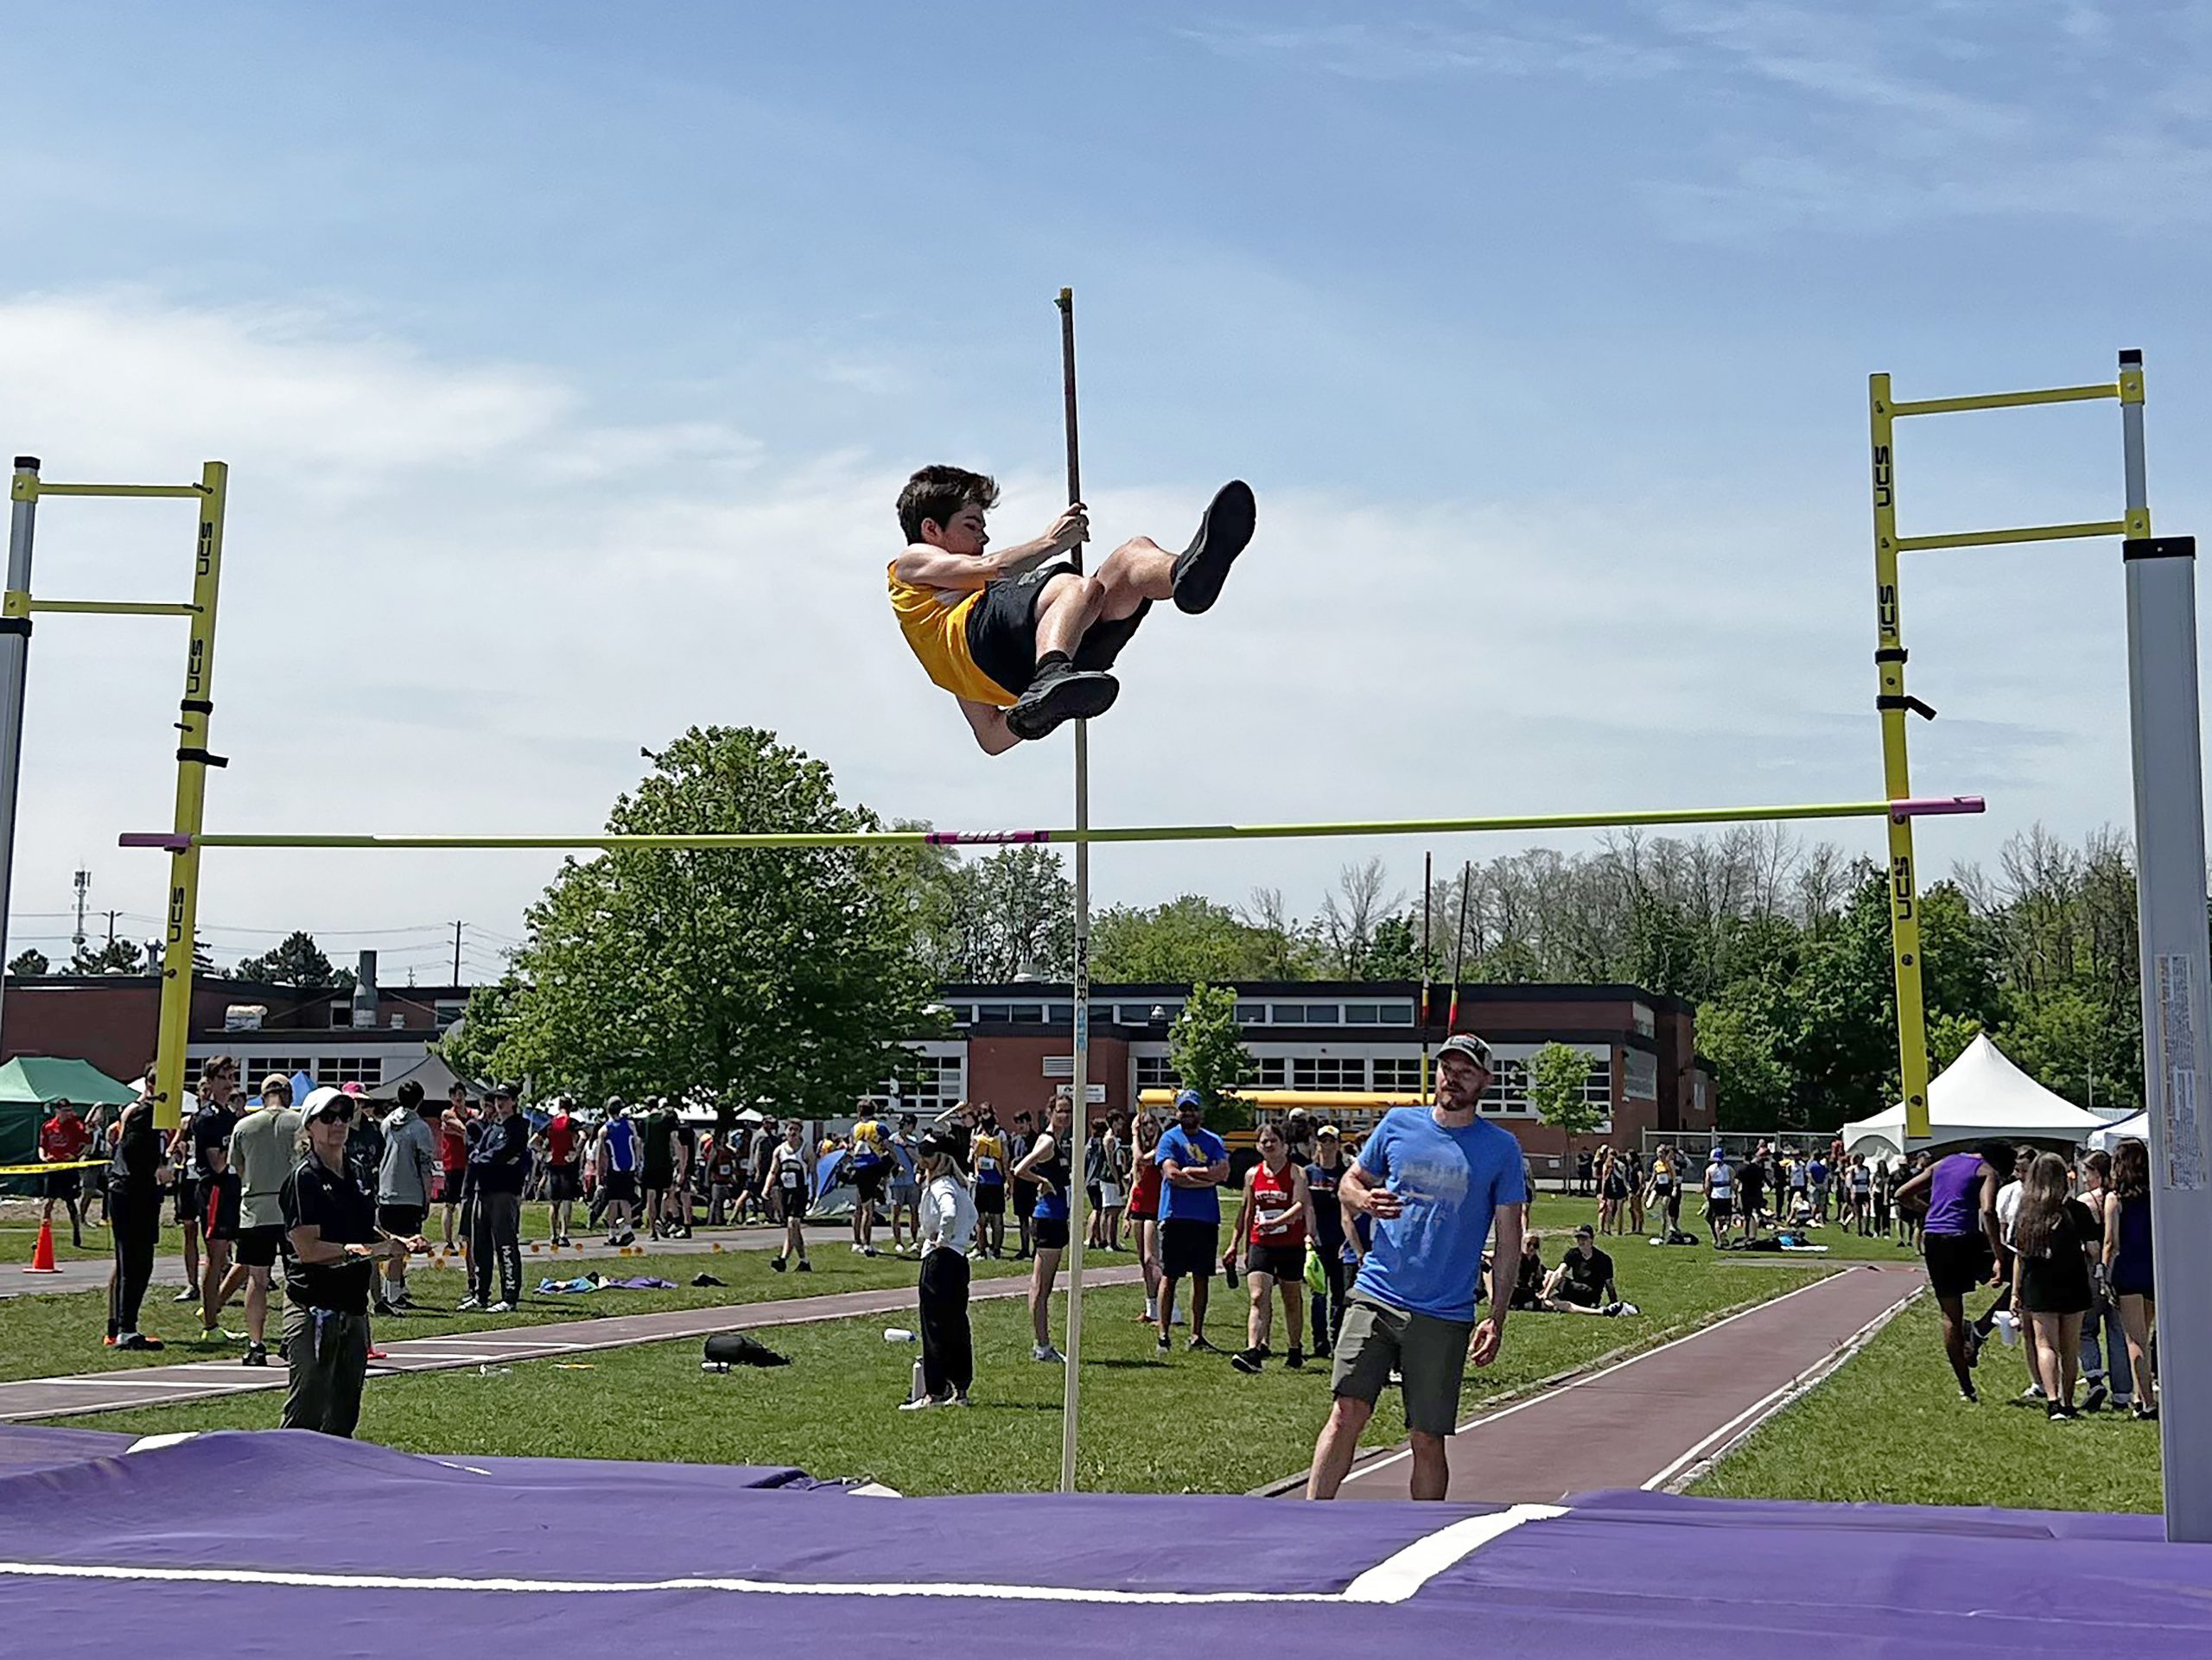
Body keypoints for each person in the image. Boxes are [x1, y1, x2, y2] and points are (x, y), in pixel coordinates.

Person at [888, 467, 1257, 750]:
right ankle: (1050, 673)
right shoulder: (912, 561)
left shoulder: (953, 662)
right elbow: (991, 568)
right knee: (1074, 587)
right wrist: (1051, 543)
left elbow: (990, 737)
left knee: (1128, 560)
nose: (983, 537)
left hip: (1043, 664)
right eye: (972, 525)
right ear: (931, 529)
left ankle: (1184, 575)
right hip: (1004, 649)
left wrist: (1039, 715)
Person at [1307, 1034, 1528, 1501]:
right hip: (1376, 1292)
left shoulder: (1500, 1148)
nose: (1453, 1078)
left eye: (1466, 1071)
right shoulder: (1397, 1125)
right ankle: (1309, 1523)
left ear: (1484, 1082)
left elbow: (1509, 1239)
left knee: (1426, 1437)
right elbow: (1350, 1181)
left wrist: (1497, 1316)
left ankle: (1422, 1540)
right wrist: (1363, 1198)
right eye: (1447, 1068)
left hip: (1443, 1313)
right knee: (1347, 1412)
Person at [281, 1089, 425, 1437]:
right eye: (328, 1117)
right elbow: (308, 1250)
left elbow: (365, 1227)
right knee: (309, 1404)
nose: (338, 1124)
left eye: (345, 1116)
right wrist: (368, 1251)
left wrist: (398, 1241)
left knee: (345, 1407)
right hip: (313, 1305)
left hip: (353, 1306)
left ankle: (336, 1482)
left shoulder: (358, 1172)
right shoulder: (305, 1178)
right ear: (310, 1126)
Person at [1894, 1140, 2010, 1402]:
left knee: (1950, 1316)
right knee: (2025, 1279)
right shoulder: (1986, 1170)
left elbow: (1902, 1194)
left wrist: (1930, 1211)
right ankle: (1981, 1327)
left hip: (1935, 1238)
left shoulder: (1941, 1163)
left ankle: (1966, 1388)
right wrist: (1999, 1255)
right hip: (1965, 1237)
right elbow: (1989, 1209)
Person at [222, 1074, 303, 1366]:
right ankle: (291, 1337)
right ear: (288, 1094)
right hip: (292, 1210)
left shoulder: (243, 1126)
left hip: (256, 1210)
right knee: (296, 1276)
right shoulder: (300, 1123)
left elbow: (238, 1168)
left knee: (257, 1279)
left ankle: (256, 1343)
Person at [2010, 1151, 2097, 1421]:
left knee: (2044, 1344)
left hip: (2038, 1283)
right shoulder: (2077, 1211)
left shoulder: (2027, 1210)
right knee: (2070, 1347)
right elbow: (2093, 1248)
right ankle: (2069, 1403)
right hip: (2072, 1281)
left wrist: (2015, 1292)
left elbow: (2019, 1255)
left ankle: (2053, 1401)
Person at [1227, 1122, 1317, 1373]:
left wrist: (1277, 1222)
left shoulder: (1296, 1172)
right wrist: (1238, 1244)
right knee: (1257, 1296)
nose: (1268, 1145)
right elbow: (1247, 1210)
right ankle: (1253, 1352)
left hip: (1290, 1243)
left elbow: (1300, 1205)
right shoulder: (1252, 1174)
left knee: (1291, 1298)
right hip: (1261, 1243)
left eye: (1272, 1141)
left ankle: (1295, 1349)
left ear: (1284, 1146)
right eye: (1263, 1141)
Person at [1154, 1089, 1230, 1356]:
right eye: (1183, 1109)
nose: (1188, 1113)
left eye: (1193, 1109)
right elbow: (1172, 1174)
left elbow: (1224, 1172)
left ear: (1200, 1112)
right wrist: (1206, 1179)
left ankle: (1197, 1335)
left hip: (1205, 1218)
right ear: (1177, 1112)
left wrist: (1192, 1173)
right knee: (1170, 1276)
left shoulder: (1213, 1140)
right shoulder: (1169, 1139)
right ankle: (1163, 1333)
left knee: (1202, 1277)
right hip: (1175, 1215)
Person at [905, 1130, 977, 1409]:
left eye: (925, 1155)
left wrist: (941, 1239)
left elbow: (948, 1213)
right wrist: (959, 1239)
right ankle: (960, 1388)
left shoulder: (941, 1186)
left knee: (934, 1325)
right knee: (957, 1323)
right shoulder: (960, 1186)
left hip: (939, 1260)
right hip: (958, 1259)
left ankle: (933, 1391)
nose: (921, 1159)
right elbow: (970, 1215)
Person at [103, 1074, 175, 1352]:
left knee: (132, 1263)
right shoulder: (144, 1113)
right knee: (135, 1262)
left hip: (135, 1194)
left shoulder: (150, 1116)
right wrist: (157, 1172)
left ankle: (121, 1326)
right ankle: (125, 1329)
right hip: (131, 1194)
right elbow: (131, 1151)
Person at [1010, 1095, 1075, 1363]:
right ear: (1050, 1113)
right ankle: (1042, 1345)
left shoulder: (1059, 1142)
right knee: (1040, 1285)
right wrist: (1042, 1181)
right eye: (1060, 1111)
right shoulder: (1047, 1141)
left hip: (1058, 1218)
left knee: (1045, 1286)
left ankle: (1043, 1344)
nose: (1065, 1116)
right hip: (1047, 1218)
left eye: (1069, 1111)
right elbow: (1019, 1168)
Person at [2102, 1138, 2158, 1421]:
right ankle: (2139, 1395)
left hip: (2129, 1271)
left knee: (2134, 1338)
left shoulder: (2115, 1199)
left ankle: (2147, 1402)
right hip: (2155, 1270)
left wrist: (2103, 1270)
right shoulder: (2157, 1195)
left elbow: (2111, 1242)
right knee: (2145, 1335)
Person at [461, 1084, 529, 1313]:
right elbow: (475, 1151)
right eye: (497, 1099)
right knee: (481, 1244)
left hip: (503, 1191)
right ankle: (480, 1294)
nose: (499, 1104)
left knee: (505, 1244)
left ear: (514, 1101)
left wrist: (482, 1159)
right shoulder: (492, 1127)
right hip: (483, 1190)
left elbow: (504, 1153)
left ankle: (510, 1296)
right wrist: (481, 1158)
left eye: (504, 1099)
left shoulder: (517, 1127)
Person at [375, 1082, 440, 1313]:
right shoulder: (420, 1128)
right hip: (409, 1193)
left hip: (386, 1191)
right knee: (402, 1246)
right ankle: (393, 1296)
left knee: (387, 1245)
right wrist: (427, 1195)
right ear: (420, 1101)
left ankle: (390, 1290)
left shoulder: (385, 1124)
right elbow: (424, 1165)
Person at [1305, 1123, 1352, 1351]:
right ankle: (1320, 1341)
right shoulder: (1309, 1173)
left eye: (1331, 1140)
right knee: (1318, 1294)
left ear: (1338, 1144)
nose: (1327, 1145)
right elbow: (1305, 1207)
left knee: (1340, 1295)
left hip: (1341, 1242)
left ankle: (1337, 1339)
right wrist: (1308, 1235)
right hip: (1317, 1242)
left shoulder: (1345, 1175)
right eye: (1323, 1140)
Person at [1126, 1113, 1165, 1325]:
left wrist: (1133, 1133)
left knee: (1152, 1260)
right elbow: (1135, 1181)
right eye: (1144, 1124)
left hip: (1155, 1207)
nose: (1148, 1127)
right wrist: (1127, 1213)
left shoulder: (1161, 1146)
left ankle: (1166, 1306)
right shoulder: (1140, 1145)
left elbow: (1141, 1158)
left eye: (1152, 1122)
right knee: (1143, 1261)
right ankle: (1151, 1308)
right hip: (1139, 1206)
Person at [38, 1097, 92, 1249]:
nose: (67, 1114)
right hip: (53, 1168)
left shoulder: (77, 1126)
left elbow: (88, 1144)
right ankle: (43, 1234)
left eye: (69, 1110)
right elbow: (42, 1145)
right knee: (48, 1202)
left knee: (70, 1203)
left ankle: (77, 1233)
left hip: (69, 1169)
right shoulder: (48, 1126)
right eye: (64, 1111)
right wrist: (43, 1157)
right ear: (57, 1111)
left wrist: (76, 1156)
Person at [1539, 1224, 1628, 1316]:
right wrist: (1547, 1292)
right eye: (1578, 1239)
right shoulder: (1573, 1253)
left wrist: (1614, 1302)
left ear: (1592, 1239)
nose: (1581, 1241)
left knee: (1553, 1280)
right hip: (1575, 1290)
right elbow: (1560, 1271)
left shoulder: (1603, 1259)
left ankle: (1544, 1298)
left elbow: (1609, 1283)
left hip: (1590, 1293)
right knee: (1550, 1276)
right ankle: (1549, 1300)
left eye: (1584, 1238)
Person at [767, 1118, 814, 1273]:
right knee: (791, 1227)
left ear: (800, 1132)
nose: (793, 1133)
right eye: (790, 1129)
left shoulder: (806, 1149)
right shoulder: (779, 1150)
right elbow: (773, 1171)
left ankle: (784, 1259)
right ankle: (802, 1261)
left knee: (793, 1222)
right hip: (785, 1191)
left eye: (796, 1130)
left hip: (800, 1191)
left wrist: (814, 1192)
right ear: (785, 1132)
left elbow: (813, 1173)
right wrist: (766, 1188)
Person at [596, 1097, 639, 1247]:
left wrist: (599, 1174)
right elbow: (637, 1144)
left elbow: (601, 1154)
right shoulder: (630, 1125)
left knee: (613, 1200)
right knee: (625, 1200)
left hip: (613, 1168)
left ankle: (614, 1232)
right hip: (629, 1167)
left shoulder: (604, 1129)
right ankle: (624, 1230)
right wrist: (637, 1163)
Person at [968, 1107, 1009, 1259]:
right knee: (987, 1219)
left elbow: (1004, 1158)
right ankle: (985, 1249)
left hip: (991, 1182)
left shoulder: (984, 1135)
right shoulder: (995, 1135)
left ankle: (991, 1250)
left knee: (989, 1219)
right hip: (988, 1182)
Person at [847, 1101, 887, 1256]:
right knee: (868, 1210)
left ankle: (856, 1241)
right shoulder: (879, 1127)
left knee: (858, 1207)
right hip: (872, 1168)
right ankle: (867, 1244)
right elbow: (886, 1145)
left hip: (857, 1167)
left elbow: (852, 1146)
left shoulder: (854, 1128)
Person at [541, 1094, 582, 1246]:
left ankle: (553, 1234)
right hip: (567, 1164)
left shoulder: (550, 1123)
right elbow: (583, 1135)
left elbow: (533, 1141)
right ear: (571, 1108)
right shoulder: (571, 1122)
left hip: (553, 1164)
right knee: (566, 1201)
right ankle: (564, 1233)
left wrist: (545, 1154)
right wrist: (576, 1152)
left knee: (554, 1203)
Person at [436, 1084, 471, 1250]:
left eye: (460, 1094)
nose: (458, 1098)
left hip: (469, 1163)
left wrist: (458, 1132)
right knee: (450, 1204)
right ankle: (448, 1242)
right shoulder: (447, 1113)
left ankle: (464, 1239)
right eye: (454, 1095)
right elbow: (463, 1127)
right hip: (452, 1164)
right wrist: (464, 1132)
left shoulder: (473, 1113)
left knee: (466, 1204)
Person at [886, 1113, 920, 1251]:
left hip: (911, 1180)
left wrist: (906, 1145)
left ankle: (914, 1240)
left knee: (914, 1211)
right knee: (896, 1212)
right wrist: (895, 1166)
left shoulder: (913, 1141)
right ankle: (898, 1241)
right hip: (897, 1181)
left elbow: (917, 1158)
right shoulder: (892, 1140)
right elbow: (888, 1157)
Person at [1008, 1110, 1039, 1258]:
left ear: (1028, 1122)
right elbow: (1011, 1159)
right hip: (1019, 1184)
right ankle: (1024, 1248)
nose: (1020, 1126)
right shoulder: (1015, 1140)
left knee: (1035, 1218)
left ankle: (1036, 1248)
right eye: (1017, 1123)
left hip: (1032, 1183)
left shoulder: (1037, 1140)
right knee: (1022, 1218)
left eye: (1022, 1123)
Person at [1508, 1231, 1548, 1311]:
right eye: (1528, 1244)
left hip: (1526, 1289)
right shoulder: (1517, 1258)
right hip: (1515, 1291)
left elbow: (1539, 1277)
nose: (1532, 1248)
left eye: (1535, 1245)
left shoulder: (1535, 1260)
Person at [1701, 1146, 1734, 1244]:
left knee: (1717, 1218)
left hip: (1715, 1195)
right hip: (1726, 1195)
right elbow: (1733, 1184)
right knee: (1727, 1218)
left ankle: (1718, 1239)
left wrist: (1707, 1196)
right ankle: (1724, 1230)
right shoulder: (1729, 1169)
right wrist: (1735, 1194)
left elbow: (1707, 1186)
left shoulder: (1710, 1170)